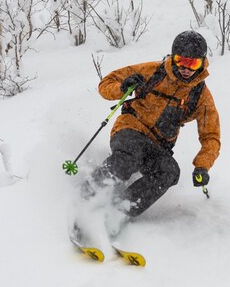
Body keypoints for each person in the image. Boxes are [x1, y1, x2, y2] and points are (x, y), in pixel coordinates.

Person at [85, 30, 221, 219]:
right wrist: (122, 86)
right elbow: (106, 83)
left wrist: (202, 166)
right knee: (129, 156)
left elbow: (211, 136)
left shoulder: (200, 96)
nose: (186, 69)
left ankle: (118, 212)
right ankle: (87, 196)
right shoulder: (153, 72)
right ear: (173, 58)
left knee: (169, 172)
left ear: (202, 63)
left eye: (193, 63)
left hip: (158, 145)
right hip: (130, 127)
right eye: (182, 61)